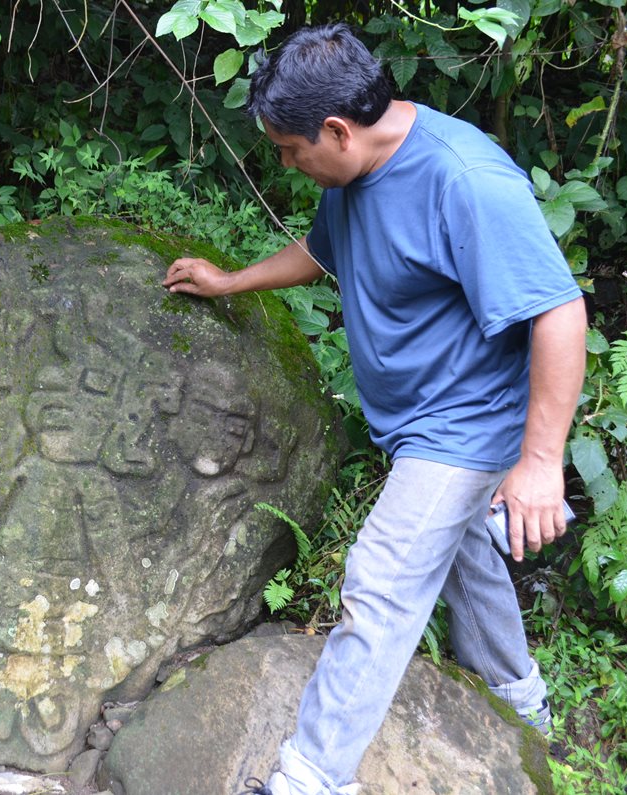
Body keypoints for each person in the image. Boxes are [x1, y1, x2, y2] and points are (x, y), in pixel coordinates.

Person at [161, 23, 587, 795]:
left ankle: (310, 778)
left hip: (466, 425)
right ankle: (526, 710)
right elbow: (326, 253)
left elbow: (560, 312)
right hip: (418, 422)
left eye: (291, 150)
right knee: (466, 562)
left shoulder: (465, 180)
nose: (288, 165)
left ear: (336, 129)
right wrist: (232, 282)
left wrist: (540, 462)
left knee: (381, 582)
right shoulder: (354, 171)